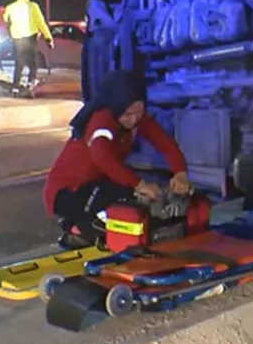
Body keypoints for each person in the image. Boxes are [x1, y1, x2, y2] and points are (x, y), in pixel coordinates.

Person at [43, 70, 190, 245]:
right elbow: (102, 157)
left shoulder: (137, 119)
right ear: (116, 108)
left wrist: (180, 172)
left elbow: (165, 143)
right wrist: (139, 185)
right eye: (128, 114)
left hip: (95, 184)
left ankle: (88, 225)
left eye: (139, 112)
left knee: (129, 193)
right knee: (122, 193)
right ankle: (77, 229)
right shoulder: (101, 122)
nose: (134, 119)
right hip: (67, 193)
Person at [2, 0, 53, 96]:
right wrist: (48, 38)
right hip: (30, 38)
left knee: (19, 63)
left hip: (17, 38)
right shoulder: (33, 6)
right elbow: (41, 23)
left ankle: (15, 87)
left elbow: (5, 19)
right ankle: (30, 84)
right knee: (33, 63)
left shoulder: (10, 7)